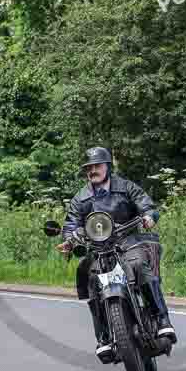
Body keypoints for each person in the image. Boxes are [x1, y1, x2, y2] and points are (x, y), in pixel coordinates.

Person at [56, 147, 176, 359]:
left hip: (127, 241)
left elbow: (146, 204)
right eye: (89, 167)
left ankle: (162, 320)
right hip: (98, 248)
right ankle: (103, 338)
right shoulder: (80, 198)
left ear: (108, 166)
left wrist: (148, 216)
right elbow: (71, 223)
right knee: (92, 280)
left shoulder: (126, 187)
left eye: (97, 166)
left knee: (139, 265)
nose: (93, 170)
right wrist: (68, 240)